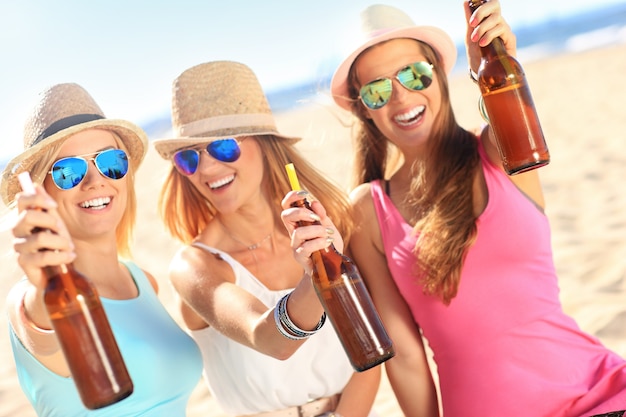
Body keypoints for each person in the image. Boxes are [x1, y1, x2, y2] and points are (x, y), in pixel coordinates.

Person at [327, 1, 626, 416]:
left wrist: (491, 62)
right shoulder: (368, 211)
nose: (401, 96)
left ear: (439, 75)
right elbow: (407, 358)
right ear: (364, 108)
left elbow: (509, 102)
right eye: (377, 89)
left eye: (415, 74)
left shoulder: (499, 150)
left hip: (599, 396)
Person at [152, 60, 380, 417]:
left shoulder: (325, 228)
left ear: (263, 144)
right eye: (188, 158)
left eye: (223, 147)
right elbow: (270, 339)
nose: (207, 169)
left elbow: (368, 350)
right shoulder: (195, 266)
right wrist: (317, 275)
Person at [1, 83, 202, 416]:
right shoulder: (37, 298)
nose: (95, 181)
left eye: (111, 162)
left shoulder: (143, 282)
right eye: (68, 171)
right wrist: (46, 286)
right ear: (40, 193)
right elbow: (42, 323)